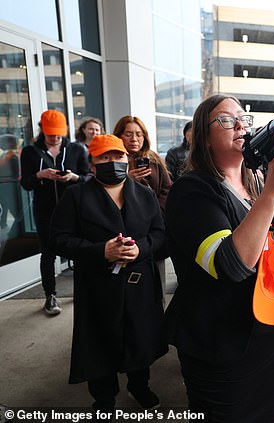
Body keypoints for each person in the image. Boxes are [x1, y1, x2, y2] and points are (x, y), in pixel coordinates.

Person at [163, 94, 274, 422]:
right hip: (224, 347)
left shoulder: (253, 182)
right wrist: (272, 193)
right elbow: (233, 264)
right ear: (202, 136)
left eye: (244, 118)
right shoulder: (192, 191)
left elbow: (264, 246)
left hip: (273, 339)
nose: (241, 124)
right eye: (227, 119)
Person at [50, 134, 167, 415]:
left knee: (140, 336)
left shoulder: (144, 193)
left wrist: (141, 249)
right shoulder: (76, 196)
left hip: (139, 283)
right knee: (99, 342)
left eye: (117, 156)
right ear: (92, 165)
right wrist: (100, 251)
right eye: (104, 157)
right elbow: (59, 239)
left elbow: (161, 235)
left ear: (126, 160)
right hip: (97, 285)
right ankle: (103, 400)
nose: (112, 162)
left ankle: (139, 386)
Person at [19, 110, 90, 315]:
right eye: (51, 134)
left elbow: (88, 178)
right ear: (42, 130)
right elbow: (26, 184)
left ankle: (82, 292)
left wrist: (73, 177)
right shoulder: (30, 152)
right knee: (48, 254)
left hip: (73, 209)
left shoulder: (77, 149)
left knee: (79, 250)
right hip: (45, 210)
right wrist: (40, 175)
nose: (55, 137)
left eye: (58, 133)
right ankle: (50, 295)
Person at [112, 116, 172, 212]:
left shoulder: (153, 158)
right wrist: (127, 179)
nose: (134, 139)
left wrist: (158, 212)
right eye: (128, 134)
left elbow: (167, 189)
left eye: (139, 134)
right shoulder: (112, 159)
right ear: (118, 136)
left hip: (157, 215)